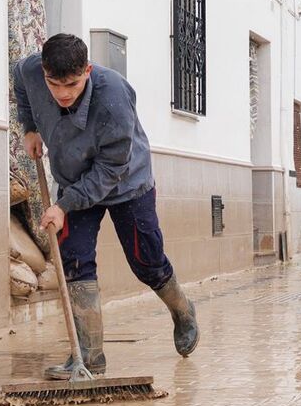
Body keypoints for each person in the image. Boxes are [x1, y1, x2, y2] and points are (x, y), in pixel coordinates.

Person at [13, 33, 198, 377]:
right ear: (46, 74)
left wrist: (63, 206)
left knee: (146, 260)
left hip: (126, 181)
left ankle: (183, 310)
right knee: (75, 259)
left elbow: (111, 169)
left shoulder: (114, 96)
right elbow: (20, 81)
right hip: (73, 175)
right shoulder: (32, 71)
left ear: (87, 70)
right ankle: (89, 358)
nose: (64, 93)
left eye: (72, 84)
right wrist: (30, 128)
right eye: (55, 84)